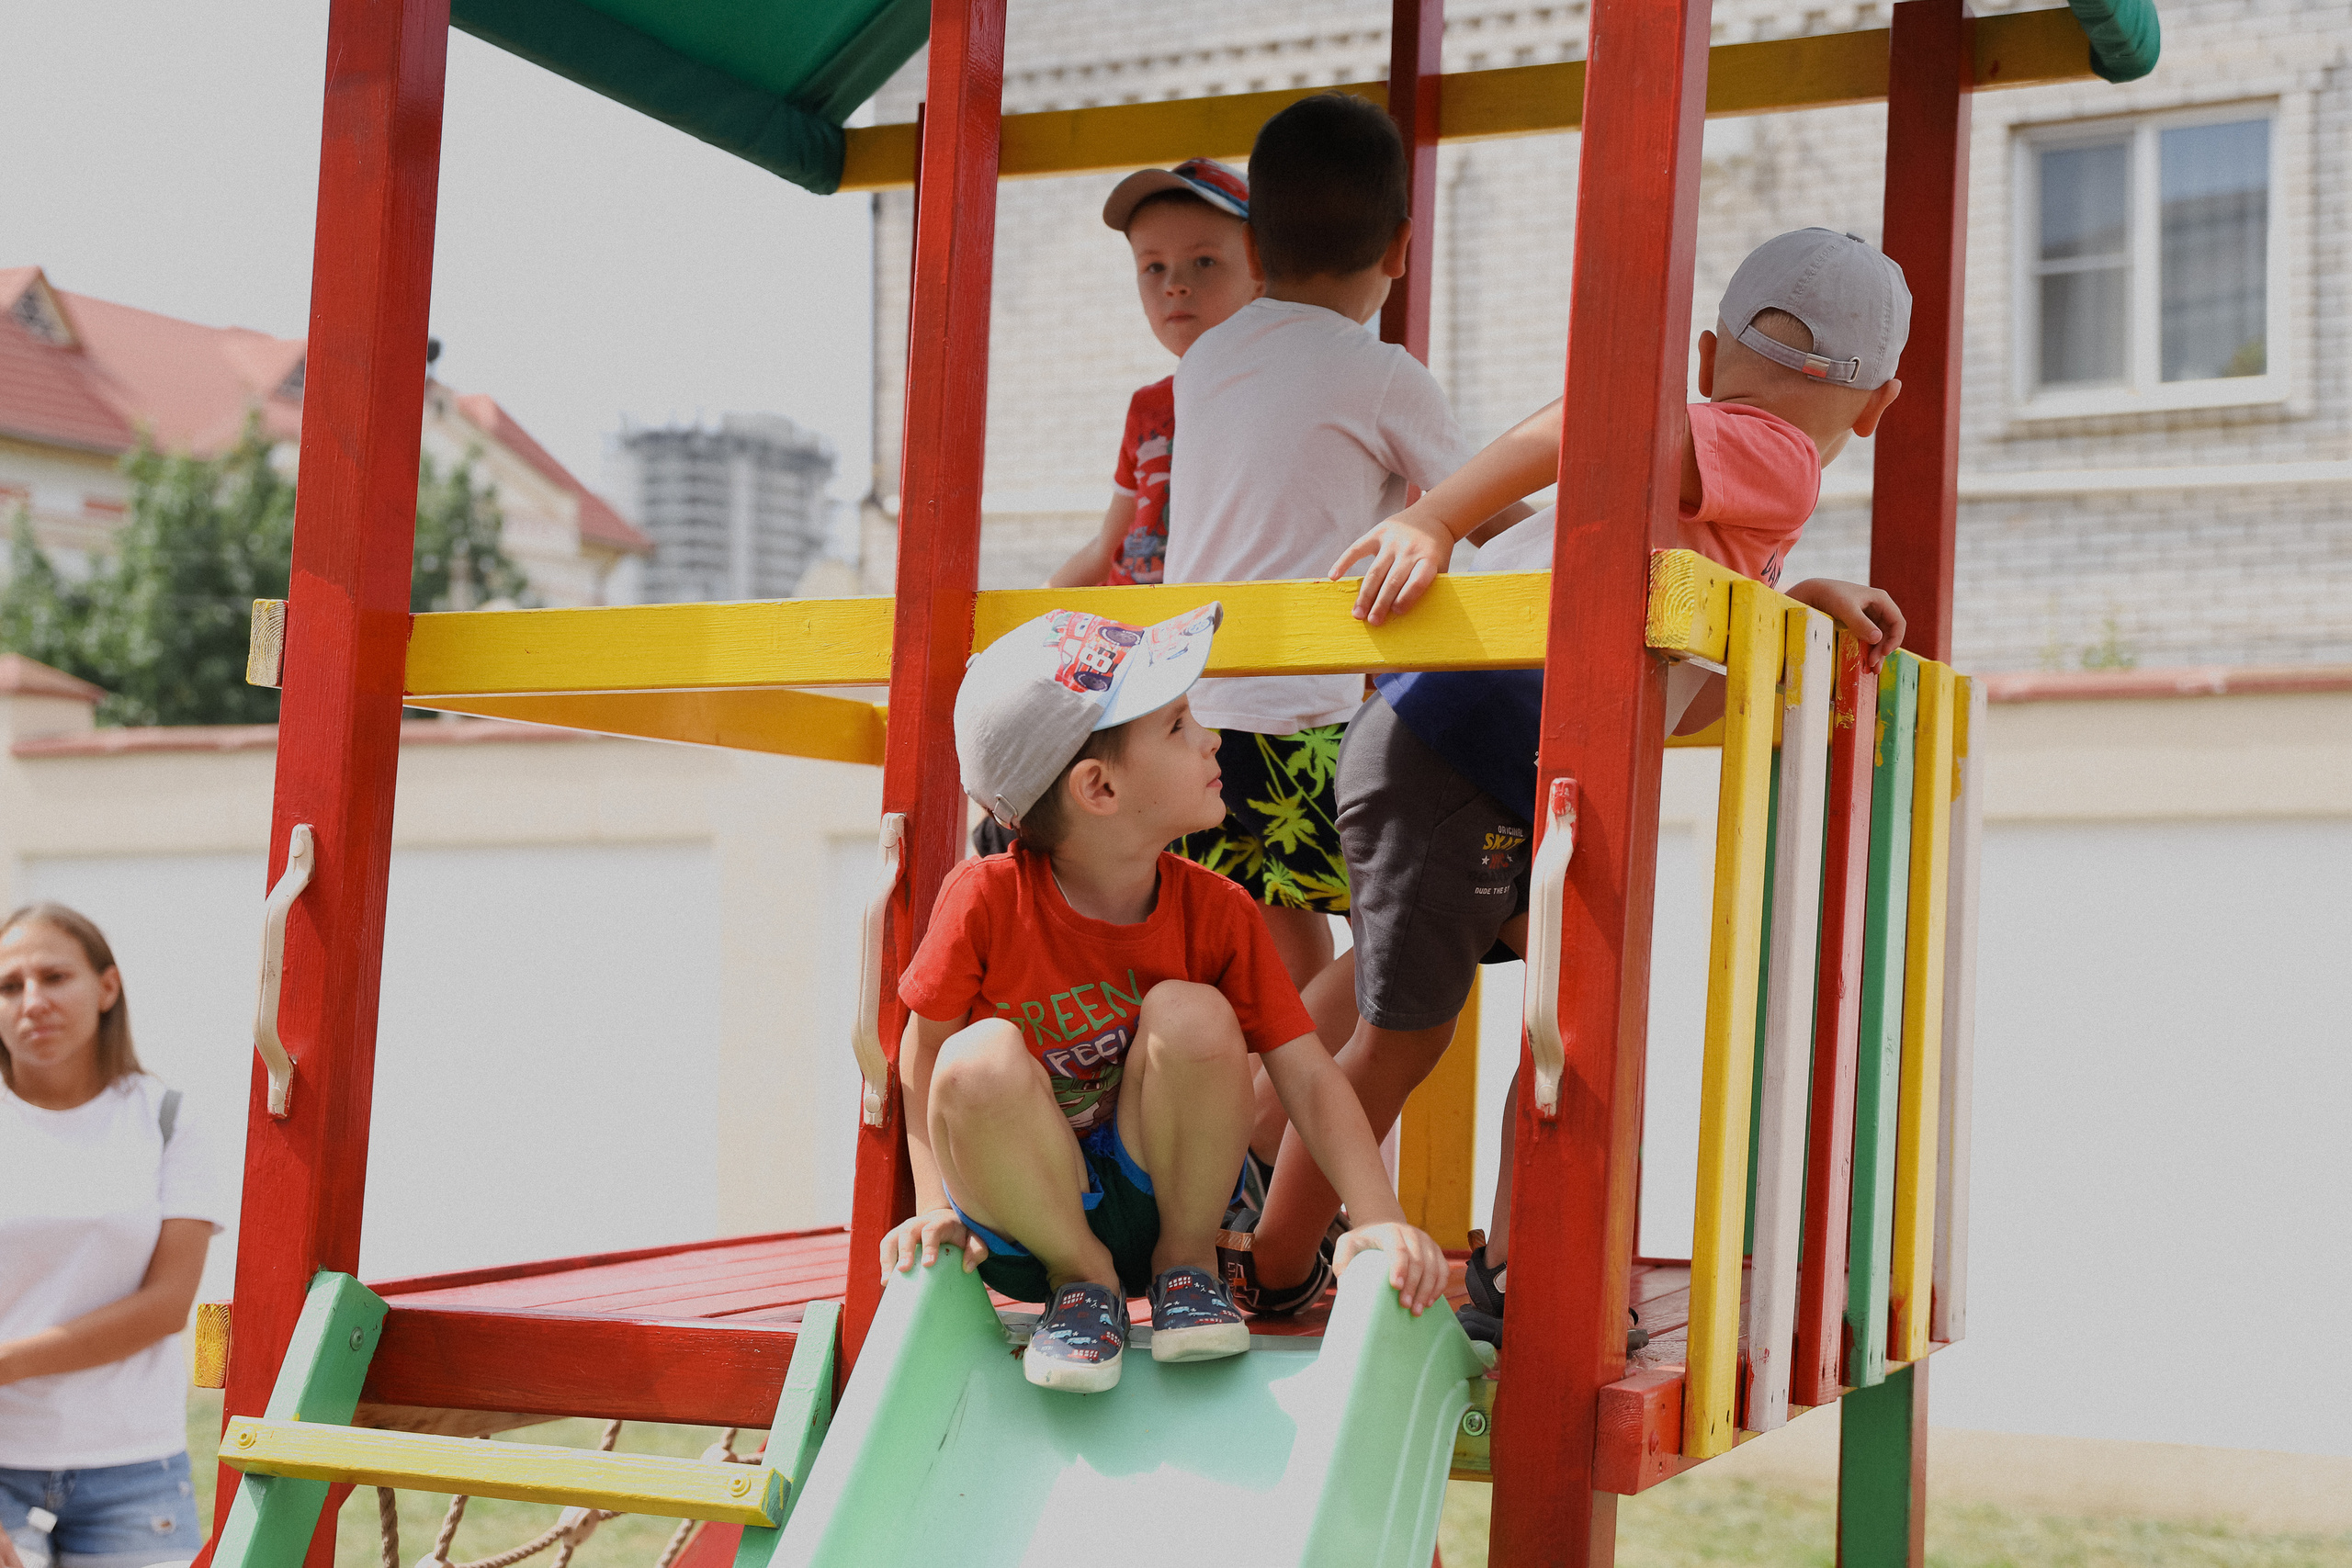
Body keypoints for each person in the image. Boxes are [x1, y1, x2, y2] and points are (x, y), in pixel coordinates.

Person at [1240, 229, 1915, 1331]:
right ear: (1878, 405)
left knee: (1480, 1002)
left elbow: (1685, 617)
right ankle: (1274, 1261)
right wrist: (1436, 516)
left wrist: (1805, 604)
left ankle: (1267, 1145)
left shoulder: (1737, 483)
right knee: (1413, 1032)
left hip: (1475, 751)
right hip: (1473, 746)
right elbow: (1608, 426)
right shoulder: (1778, 455)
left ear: (1709, 353)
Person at [879, 603, 1447, 1394]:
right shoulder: (984, 899)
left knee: (1195, 1011)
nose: (1212, 738)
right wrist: (931, 1202)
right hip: (1027, 1219)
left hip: (1161, 1196)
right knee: (976, 1057)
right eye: (1179, 725)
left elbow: (1310, 1076)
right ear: (1100, 787)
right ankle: (1087, 1284)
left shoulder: (1216, 909)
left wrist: (1379, 1215)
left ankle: (1186, 1269)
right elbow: (924, 1051)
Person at [1163, 95, 1526, 1217]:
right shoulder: (1381, 372)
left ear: (1255, 248)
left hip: (1197, 716)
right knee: (1416, 925)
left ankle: (1244, 1157)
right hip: (1307, 711)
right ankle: (1267, 1139)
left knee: (1279, 953)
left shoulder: (1206, 362)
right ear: (1400, 251)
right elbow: (1497, 517)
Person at [1, 905, 231, 1568]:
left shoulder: (167, 1119)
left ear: (106, 987)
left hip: (135, 1466)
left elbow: (165, 1306)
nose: (32, 1001)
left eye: (53, 976)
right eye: (9, 985)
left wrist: (6, 1361)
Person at [1046, 158, 1257, 592]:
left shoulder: (1281, 396)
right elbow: (1109, 546)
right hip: (1125, 634)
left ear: (1260, 270)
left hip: (1216, 628)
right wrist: (1025, 615)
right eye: (1154, 267)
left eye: (1204, 261)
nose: (1174, 284)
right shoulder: (1149, 406)